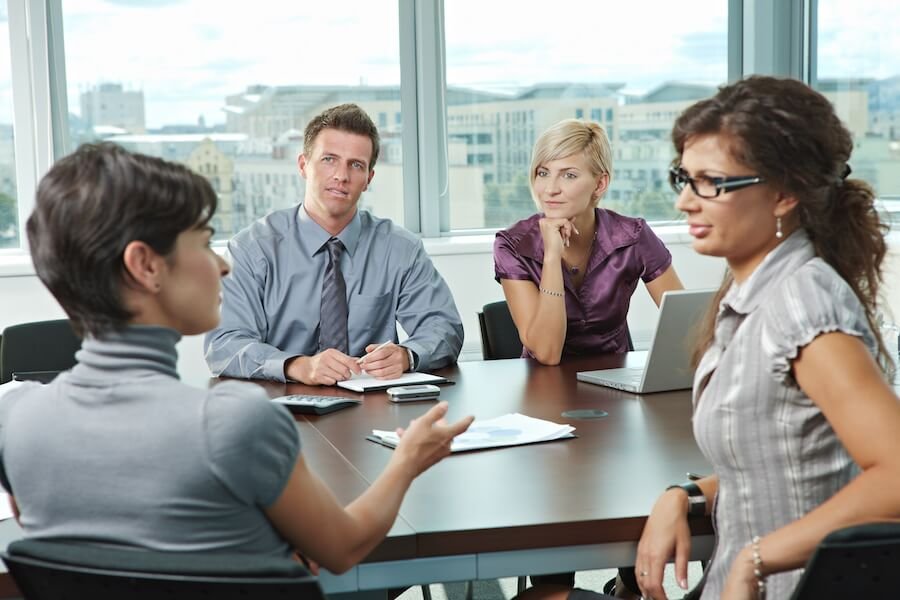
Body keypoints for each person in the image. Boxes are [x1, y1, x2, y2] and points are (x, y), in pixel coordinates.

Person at [0, 142, 473, 570]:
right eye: (204, 243)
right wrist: (407, 460)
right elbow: (342, 548)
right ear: (145, 266)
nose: (223, 264)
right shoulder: (239, 423)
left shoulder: (14, 420)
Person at [632, 76, 900, 600]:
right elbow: (782, 456)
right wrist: (685, 494)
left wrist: (758, 557)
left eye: (712, 182)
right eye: (683, 179)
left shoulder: (802, 303)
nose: (686, 201)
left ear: (783, 194)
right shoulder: (754, 291)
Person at [205, 103, 463, 385]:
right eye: (329, 159)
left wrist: (407, 355)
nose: (342, 176)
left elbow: (444, 327)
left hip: (374, 409)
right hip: (282, 407)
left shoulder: (400, 249)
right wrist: (296, 365)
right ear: (303, 165)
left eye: (356, 165)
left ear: (368, 179)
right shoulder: (252, 249)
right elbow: (224, 343)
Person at [494, 119, 683, 366]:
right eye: (543, 173)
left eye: (568, 175)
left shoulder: (633, 236)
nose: (550, 189)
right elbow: (547, 353)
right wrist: (552, 256)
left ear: (600, 184)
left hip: (616, 385)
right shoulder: (513, 244)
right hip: (543, 389)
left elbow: (686, 326)